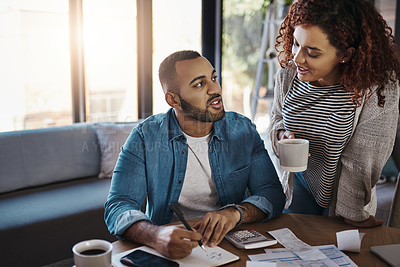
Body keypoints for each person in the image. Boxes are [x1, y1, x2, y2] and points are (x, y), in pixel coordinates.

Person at [105, 50, 285, 259]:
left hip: (231, 246)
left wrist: (234, 213)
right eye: (199, 84)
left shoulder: (243, 130)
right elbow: (118, 206)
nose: (215, 89)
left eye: (213, 78)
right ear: (173, 100)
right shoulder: (145, 137)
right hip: (170, 248)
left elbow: (272, 193)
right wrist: (155, 235)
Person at [269, 0, 400, 228]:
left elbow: (363, 158)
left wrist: (352, 212)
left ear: (346, 55)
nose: (298, 58)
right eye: (296, 44)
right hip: (298, 184)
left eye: (312, 52)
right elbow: (277, 118)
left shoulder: (377, 88)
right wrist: (281, 135)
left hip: (344, 196)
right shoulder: (287, 76)